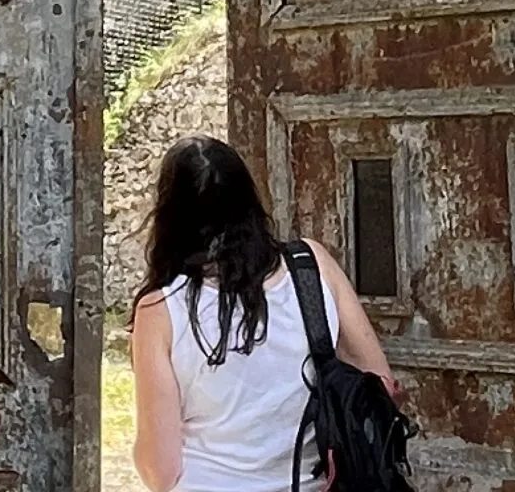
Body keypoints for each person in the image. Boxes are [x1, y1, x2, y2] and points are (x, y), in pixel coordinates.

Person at [129, 135, 399, 492]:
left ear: (168, 217)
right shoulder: (310, 266)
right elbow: (381, 385)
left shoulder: (161, 310)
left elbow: (161, 469)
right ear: (250, 201)